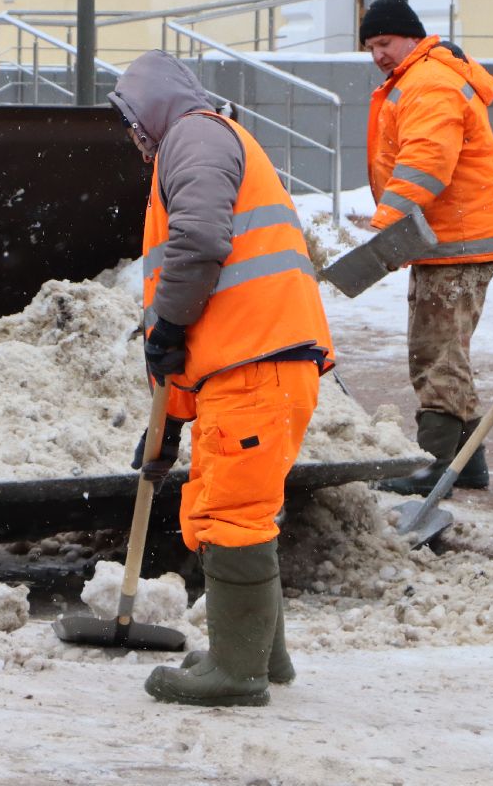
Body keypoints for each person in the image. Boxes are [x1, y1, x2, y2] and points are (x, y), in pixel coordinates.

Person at [107, 49, 335, 709]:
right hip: (250, 362)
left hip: (256, 363)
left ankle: (238, 673)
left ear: (151, 108)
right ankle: (262, 655)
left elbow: (202, 242)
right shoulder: (198, 142)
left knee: (231, 513)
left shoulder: (196, 138)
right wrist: (171, 420)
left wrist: (167, 325)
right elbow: (204, 308)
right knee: (229, 503)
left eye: (131, 119)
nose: (131, 135)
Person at [356, 0, 493, 497]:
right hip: (451, 234)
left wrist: (389, 215)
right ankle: (467, 464)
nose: (378, 54)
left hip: (459, 236)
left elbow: (427, 159)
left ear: (411, 36)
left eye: (385, 42)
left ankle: (433, 465)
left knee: (436, 349)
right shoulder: (421, 77)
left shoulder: (428, 81)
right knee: (446, 347)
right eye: (370, 46)